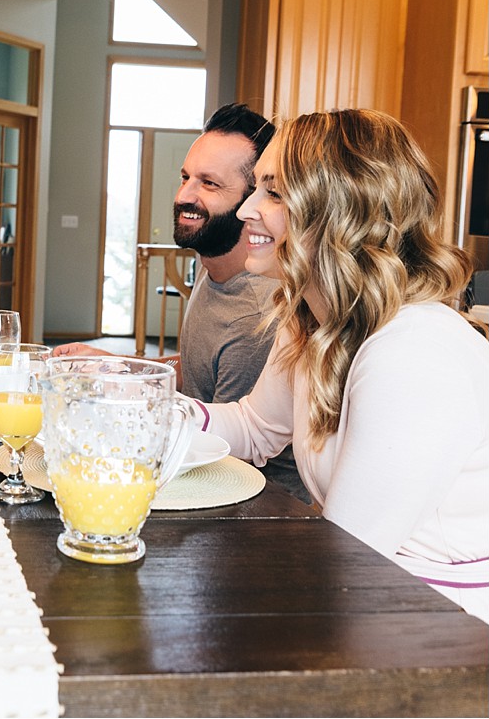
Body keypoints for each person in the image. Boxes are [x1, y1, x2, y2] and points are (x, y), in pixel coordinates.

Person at [203, 109, 488, 622]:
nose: (246, 208)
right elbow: (253, 426)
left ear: (338, 211)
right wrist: (141, 408)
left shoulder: (413, 355)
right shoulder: (313, 319)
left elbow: (345, 558)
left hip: (442, 629)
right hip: (364, 596)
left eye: (273, 191)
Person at [55, 103, 310, 502]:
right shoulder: (216, 268)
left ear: (252, 200)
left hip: (246, 507)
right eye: (186, 177)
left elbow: (228, 453)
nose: (184, 195)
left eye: (209, 184)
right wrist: (124, 369)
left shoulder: (256, 316)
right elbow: (198, 374)